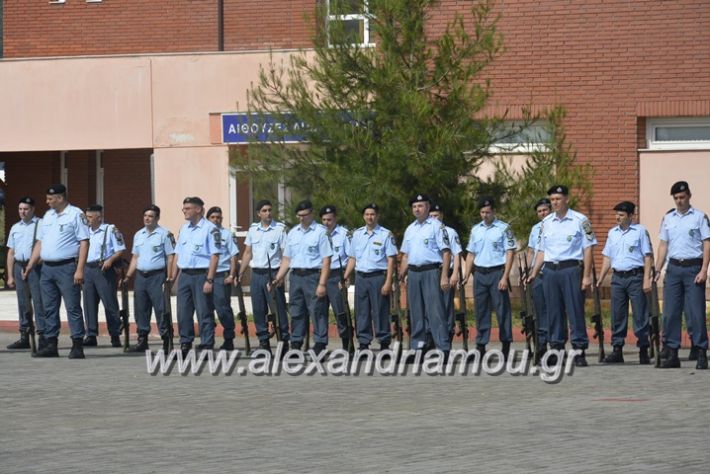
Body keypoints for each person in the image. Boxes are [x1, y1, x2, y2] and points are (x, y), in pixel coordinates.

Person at [528, 185, 597, 367]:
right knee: (553, 312)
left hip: (571, 269)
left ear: (566, 199)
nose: (555, 202)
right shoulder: (546, 223)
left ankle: (579, 350)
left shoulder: (581, 220)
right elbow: (542, 251)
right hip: (550, 271)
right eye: (552, 200)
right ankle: (557, 348)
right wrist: (534, 272)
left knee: (575, 310)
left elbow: (588, 248)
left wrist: (587, 276)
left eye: (558, 199)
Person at [25, 184, 89, 359]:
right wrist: (31, 264)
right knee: (49, 308)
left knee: (73, 307)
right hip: (47, 269)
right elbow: (40, 242)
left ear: (60, 198)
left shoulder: (76, 214)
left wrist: (79, 270)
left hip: (67, 268)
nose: (47, 202)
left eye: (50, 199)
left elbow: (84, 242)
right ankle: (51, 344)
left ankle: (77, 344)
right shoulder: (48, 216)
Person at [655, 181, 709, 369]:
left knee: (695, 313)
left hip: (693, 269)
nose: (679, 201)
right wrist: (657, 268)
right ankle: (671, 352)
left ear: (689, 196)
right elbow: (663, 245)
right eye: (676, 198)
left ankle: (701, 350)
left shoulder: (700, 217)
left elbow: (706, 243)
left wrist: (704, 270)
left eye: (682, 197)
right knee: (670, 313)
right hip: (674, 269)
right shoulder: (668, 218)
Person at [272, 200, 332, 354]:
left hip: (313, 276)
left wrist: (322, 284)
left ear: (311, 214)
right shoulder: (293, 233)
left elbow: (326, 260)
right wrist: (278, 278)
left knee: (317, 311)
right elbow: (287, 259)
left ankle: (320, 343)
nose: (301, 218)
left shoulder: (320, 232)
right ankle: (296, 343)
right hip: (295, 276)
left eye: (304, 215)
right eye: (299, 215)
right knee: (296, 311)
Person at [596, 201, 653, 364]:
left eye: (621, 215)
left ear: (630, 216)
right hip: (618, 278)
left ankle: (643, 348)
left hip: (636, 277)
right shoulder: (612, 233)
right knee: (617, 315)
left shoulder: (640, 231)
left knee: (640, 314)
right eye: (616, 215)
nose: (617, 218)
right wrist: (601, 278)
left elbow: (647, 256)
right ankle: (617, 349)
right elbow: (607, 257)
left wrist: (646, 279)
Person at [461, 197, 516, 359]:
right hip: (480, 274)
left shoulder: (504, 228)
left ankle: (506, 345)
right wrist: (466, 275)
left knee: (502, 310)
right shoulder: (475, 230)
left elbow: (510, 252)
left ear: (494, 212)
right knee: (481, 311)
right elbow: (471, 254)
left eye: (488, 212)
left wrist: (505, 277)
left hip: (497, 273)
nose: (485, 215)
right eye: (482, 212)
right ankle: (480, 345)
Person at [398, 194, 451, 353]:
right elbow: (406, 255)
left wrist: (444, 276)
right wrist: (401, 274)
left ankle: (443, 348)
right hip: (414, 274)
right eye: (414, 206)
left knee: (436, 312)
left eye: (420, 206)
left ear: (428, 207)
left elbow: (446, 253)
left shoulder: (436, 226)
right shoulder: (410, 229)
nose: (417, 209)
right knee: (416, 313)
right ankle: (418, 349)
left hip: (431, 272)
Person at [343, 203, 397, 350]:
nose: (370, 217)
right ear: (363, 216)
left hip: (378, 277)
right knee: (362, 311)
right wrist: (345, 276)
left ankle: (384, 342)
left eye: (372, 214)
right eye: (367, 214)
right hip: (361, 278)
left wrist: (388, 281)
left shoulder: (386, 234)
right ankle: (363, 343)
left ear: (377, 216)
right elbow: (353, 258)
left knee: (380, 310)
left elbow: (391, 259)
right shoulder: (357, 234)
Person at [122, 205, 175, 352]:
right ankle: (142, 340)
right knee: (141, 309)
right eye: (145, 215)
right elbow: (135, 257)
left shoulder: (165, 234)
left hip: (157, 276)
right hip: (141, 276)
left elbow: (171, 257)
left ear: (157, 218)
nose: (147, 218)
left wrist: (169, 277)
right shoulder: (138, 235)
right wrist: (128, 276)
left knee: (161, 309)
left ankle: (166, 340)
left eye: (150, 216)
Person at [172, 196, 220, 356]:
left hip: (201, 275)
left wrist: (210, 279)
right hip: (185, 275)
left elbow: (214, 256)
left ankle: (207, 345)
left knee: (204, 311)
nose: (184, 211)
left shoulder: (210, 229)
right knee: (183, 311)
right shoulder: (184, 229)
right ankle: (185, 344)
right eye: (183, 208)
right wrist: (173, 277)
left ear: (198, 209)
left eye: (187, 208)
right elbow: (177, 254)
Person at [239, 200, 289, 352]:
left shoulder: (279, 229)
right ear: (258, 214)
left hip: (273, 274)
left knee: (278, 310)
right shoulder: (253, 230)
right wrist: (240, 272)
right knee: (258, 309)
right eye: (264, 210)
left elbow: (286, 255)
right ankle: (263, 342)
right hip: (257, 274)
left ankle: (284, 343)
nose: (268, 213)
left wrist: (280, 277)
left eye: (269, 210)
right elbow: (248, 253)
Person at [82, 204, 126, 348]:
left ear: (99, 217)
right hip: (88, 269)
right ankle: (91, 335)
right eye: (86, 216)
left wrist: (110, 260)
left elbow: (120, 250)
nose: (87, 219)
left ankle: (115, 335)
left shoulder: (110, 230)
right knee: (89, 304)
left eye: (90, 217)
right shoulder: (84, 232)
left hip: (103, 270)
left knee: (110, 303)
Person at [6, 197, 46, 350]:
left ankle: (42, 335)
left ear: (33, 209)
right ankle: (25, 335)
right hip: (19, 266)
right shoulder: (15, 227)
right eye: (20, 209)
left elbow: (45, 246)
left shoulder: (41, 224)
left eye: (26, 209)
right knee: (23, 303)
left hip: (36, 267)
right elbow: (11, 252)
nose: (22, 212)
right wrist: (10, 275)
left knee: (38, 302)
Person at [205, 206, 239, 351]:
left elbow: (234, 256)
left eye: (218, 217)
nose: (216, 220)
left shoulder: (227, 234)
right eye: (213, 217)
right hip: (204, 276)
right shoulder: (203, 233)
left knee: (223, 309)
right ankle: (208, 340)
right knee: (205, 309)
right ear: (207, 219)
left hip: (221, 275)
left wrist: (232, 275)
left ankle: (229, 338)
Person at [320, 205, 353, 350]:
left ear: (335, 219)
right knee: (320, 312)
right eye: (324, 220)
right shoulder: (318, 233)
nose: (327, 222)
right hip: (320, 276)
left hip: (336, 276)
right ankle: (320, 344)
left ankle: (347, 344)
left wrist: (346, 277)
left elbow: (352, 256)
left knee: (341, 312)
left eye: (329, 219)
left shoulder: (344, 234)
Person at [429, 203, 462, 341]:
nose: (434, 218)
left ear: (441, 215)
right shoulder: (426, 231)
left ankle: (448, 334)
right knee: (431, 305)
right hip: (430, 272)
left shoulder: (450, 232)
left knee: (446, 306)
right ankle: (432, 336)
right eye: (431, 216)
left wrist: (455, 273)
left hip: (446, 271)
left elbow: (457, 254)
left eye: (436, 215)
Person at [527, 198, 551, 358]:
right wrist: (528, 272)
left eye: (545, 210)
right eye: (539, 211)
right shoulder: (535, 229)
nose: (542, 213)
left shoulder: (557, 226)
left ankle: (556, 343)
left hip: (552, 273)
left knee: (554, 310)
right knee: (539, 311)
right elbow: (531, 251)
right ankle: (541, 344)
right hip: (538, 275)